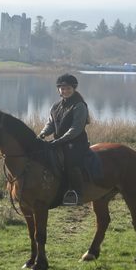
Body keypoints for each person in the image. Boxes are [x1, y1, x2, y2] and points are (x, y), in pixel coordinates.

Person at [38, 73, 90, 205]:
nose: (65, 91)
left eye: (68, 88)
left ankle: (76, 193)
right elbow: (50, 124)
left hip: (76, 142)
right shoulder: (55, 106)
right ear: (59, 90)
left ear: (74, 89)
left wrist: (58, 141)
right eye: (62, 88)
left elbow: (75, 129)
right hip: (59, 142)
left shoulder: (79, 106)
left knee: (71, 162)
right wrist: (42, 134)